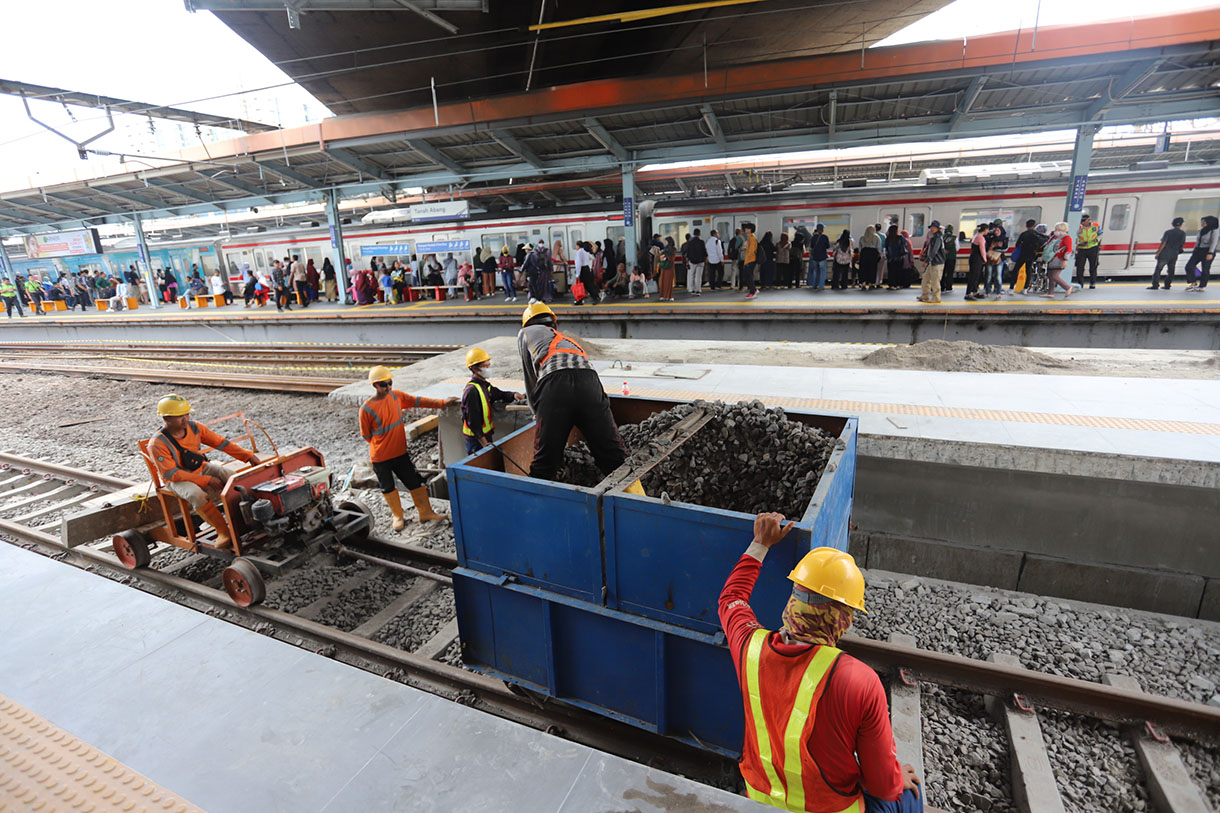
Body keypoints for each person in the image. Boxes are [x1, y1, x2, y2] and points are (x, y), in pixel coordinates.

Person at [719, 513, 922, 813]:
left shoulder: (750, 647)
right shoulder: (859, 681)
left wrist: (760, 542)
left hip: (760, 803)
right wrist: (897, 778)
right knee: (909, 797)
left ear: (793, 600)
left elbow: (731, 598)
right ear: (843, 619)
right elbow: (882, 785)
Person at [518, 303, 627, 481]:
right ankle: (634, 498)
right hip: (590, 382)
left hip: (555, 384)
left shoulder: (525, 334)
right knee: (614, 457)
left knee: (545, 462)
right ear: (554, 323)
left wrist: (537, 411)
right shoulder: (569, 341)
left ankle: (538, 503)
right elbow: (587, 376)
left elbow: (530, 378)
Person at [147, 394, 261, 549]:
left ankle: (245, 518)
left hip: (199, 467)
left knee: (232, 478)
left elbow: (221, 443)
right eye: (180, 416)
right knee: (196, 495)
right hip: (177, 479)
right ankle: (223, 532)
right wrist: (205, 480)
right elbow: (171, 474)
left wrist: (248, 456)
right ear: (166, 418)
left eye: (187, 414)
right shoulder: (157, 444)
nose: (186, 418)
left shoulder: (195, 427)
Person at [360, 366, 457, 530]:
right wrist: (383, 444)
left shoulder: (397, 396)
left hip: (400, 454)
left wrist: (442, 403)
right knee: (388, 487)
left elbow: (418, 401)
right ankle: (398, 516)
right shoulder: (366, 409)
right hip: (380, 458)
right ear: (375, 385)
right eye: (384, 385)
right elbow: (366, 435)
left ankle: (425, 512)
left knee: (414, 482)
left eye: (390, 383)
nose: (388, 387)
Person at [461, 347, 524, 455]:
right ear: (474, 368)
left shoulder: (484, 386)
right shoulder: (471, 391)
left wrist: (513, 395)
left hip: (486, 435)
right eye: (485, 366)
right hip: (476, 439)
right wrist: (484, 443)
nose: (488, 369)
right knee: (479, 467)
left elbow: (499, 394)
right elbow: (473, 420)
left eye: (489, 365)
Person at [1150, 217, 1187, 290]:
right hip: (1174, 254)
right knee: (1171, 270)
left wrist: (1158, 252)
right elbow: (1182, 244)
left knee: (1158, 269)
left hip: (1165, 253)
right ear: (1181, 224)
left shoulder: (1168, 232)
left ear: (1173, 224)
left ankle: (1155, 285)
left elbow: (1163, 243)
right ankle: (1167, 285)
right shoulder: (1183, 233)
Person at [1185, 215, 1219, 293]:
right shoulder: (1202, 230)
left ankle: (1202, 286)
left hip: (1207, 251)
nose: (1202, 223)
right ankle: (1193, 282)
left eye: (1204, 222)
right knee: (1189, 266)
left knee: (1205, 269)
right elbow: (1198, 241)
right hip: (1198, 250)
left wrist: (1210, 252)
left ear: (1209, 223)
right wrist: (1194, 250)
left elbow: (1214, 242)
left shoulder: (1214, 231)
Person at [1011, 220, 1045, 295]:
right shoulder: (1037, 235)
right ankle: (1025, 289)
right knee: (1028, 271)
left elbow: (1017, 245)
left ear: (1026, 226)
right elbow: (1042, 243)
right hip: (1032, 255)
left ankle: (1011, 288)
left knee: (1015, 270)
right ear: (1034, 226)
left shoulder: (1024, 234)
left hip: (1023, 255)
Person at [1042, 221, 1075, 299]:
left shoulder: (1067, 238)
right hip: (1052, 259)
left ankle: (1067, 287)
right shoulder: (1054, 237)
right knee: (1050, 275)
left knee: (1054, 276)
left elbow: (1069, 249)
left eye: (1057, 229)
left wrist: (1065, 260)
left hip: (1060, 259)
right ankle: (1050, 293)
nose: (1055, 230)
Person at [917, 220, 945, 304]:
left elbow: (934, 251)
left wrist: (927, 260)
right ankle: (925, 295)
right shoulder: (934, 237)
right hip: (933, 262)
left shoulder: (937, 238)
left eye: (934, 227)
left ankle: (936, 298)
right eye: (931, 227)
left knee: (935, 280)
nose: (932, 229)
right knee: (926, 278)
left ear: (938, 228)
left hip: (937, 262)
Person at [1073, 213, 1101, 289]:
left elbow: (1100, 234)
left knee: (1093, 266)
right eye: (1081, 221)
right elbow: (1074, 237)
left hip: (1093, 247)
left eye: (1083, 221)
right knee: (1080, 267)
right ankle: (1080, 284)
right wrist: (1079, 243)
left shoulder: (1095, 225)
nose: (1082, 222)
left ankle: (1092, 283)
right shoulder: (1078, 227)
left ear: (1088, 220)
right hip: (1082, 248)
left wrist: (1097, 240)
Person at [966, 225, 988, 301]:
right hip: (977, 258)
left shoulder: (976, 236)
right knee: (974, 276)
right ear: (985, 230)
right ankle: (968, 293)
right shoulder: (981, 238)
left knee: (974, 275)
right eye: (987, 230)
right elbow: (982, 250)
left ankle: (974, 291)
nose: (988, 231)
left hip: (973, 257)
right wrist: (985, 259)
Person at [883, 226, 907, 290]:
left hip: (891, 258)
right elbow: (905, 244)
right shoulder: (900, 237)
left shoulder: (888, 238)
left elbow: (886, 247)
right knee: (899, 271)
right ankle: (898, 284)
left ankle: (892, 284)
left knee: (891, 271)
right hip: (900, 257)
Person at [686, 228, 708, 295]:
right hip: (700, 261)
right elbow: (704, 252)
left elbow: (688, 252)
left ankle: (691, 289)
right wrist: (706, 258)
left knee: (691, 275)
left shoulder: (690, 242)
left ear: (693, 234)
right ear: (699, 234)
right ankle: (698, 289)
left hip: (692, 261)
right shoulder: (701, 242)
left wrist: (688, 260)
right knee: (698, 276)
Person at [808, 224, 829, 291]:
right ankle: (821, 286)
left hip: (815, 257)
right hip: (822, 257)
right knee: (822, 271)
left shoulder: (813, 237)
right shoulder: (825, 237)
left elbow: (811, 246)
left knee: (815, 271)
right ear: (822, 229)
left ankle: (814, 285)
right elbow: (828, 246)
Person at [741, 223, 760, 299]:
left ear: (749, 230)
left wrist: (747, 262)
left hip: (750, 260)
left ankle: (752, 292)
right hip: (750, 259)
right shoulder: (751, 238)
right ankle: (754, 290)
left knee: (749, 276)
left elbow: (751, 251)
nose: (745, 230)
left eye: (746, 228)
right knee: (749, 276)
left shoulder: (751, 238)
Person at [573, 240, 594, 305]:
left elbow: (578, 263)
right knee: (586, 285)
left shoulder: (579, 252)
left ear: (578, 246)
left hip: (582, 269)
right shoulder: (585, 251)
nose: (576, 247)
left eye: (576, 245)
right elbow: (592, 258)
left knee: (584, 285)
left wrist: (577, 274)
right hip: (586, 268)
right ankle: (580, 299)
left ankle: (595, 297)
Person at [657, 237, 677, 301]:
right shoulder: (673, 249)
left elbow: (662, 257)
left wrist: (663, 257)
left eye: (666, 241)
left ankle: (663, 295)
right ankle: (668, 296)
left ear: (669, 242)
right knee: (669, 282)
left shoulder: (665, 250)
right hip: (670, 267)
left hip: (664, 267)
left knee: (663, 281)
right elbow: (672, 258)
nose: (665, 243)